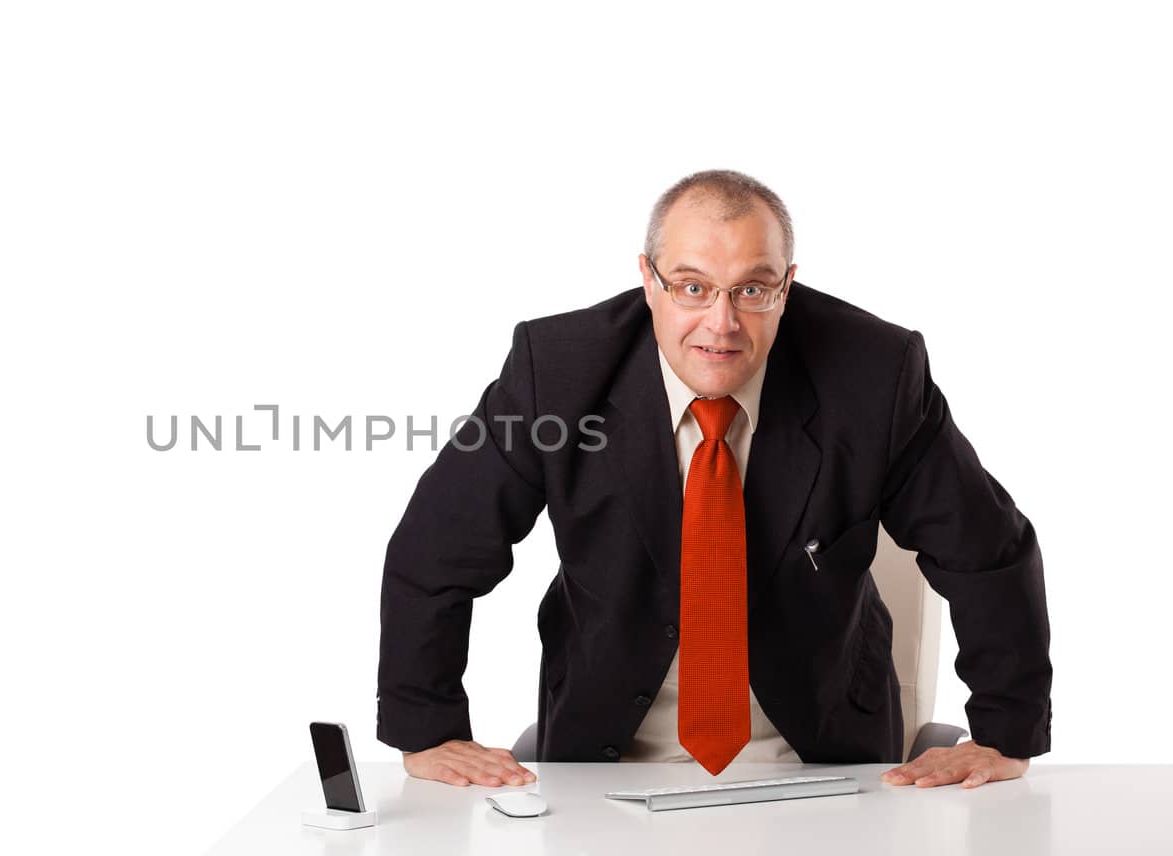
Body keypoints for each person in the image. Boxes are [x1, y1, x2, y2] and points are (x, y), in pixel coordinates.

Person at [375, 169, 1051, 791]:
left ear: (786, 285)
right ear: (650, 280)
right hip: (605, 761)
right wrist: (426, 729)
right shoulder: (553, 374)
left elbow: (986, 549)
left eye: (752, 289)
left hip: (824, 762)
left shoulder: (874, 376)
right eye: (692, 286)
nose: (721, 323)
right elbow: (437, 547)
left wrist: (1005, 733)